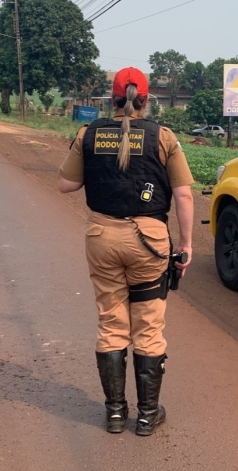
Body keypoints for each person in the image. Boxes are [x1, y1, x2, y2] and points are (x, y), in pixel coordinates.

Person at [57, 67, 194, 436]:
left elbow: (66, 184)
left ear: (113, 98)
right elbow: (182, 194)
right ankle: (148, 415)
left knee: (111, 322)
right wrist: (185, 244)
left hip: (102, 237)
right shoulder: (163, 137)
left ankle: (115, 413)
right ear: (146, 100)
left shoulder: (88, 134)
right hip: (149, 242)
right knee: (148, 326)